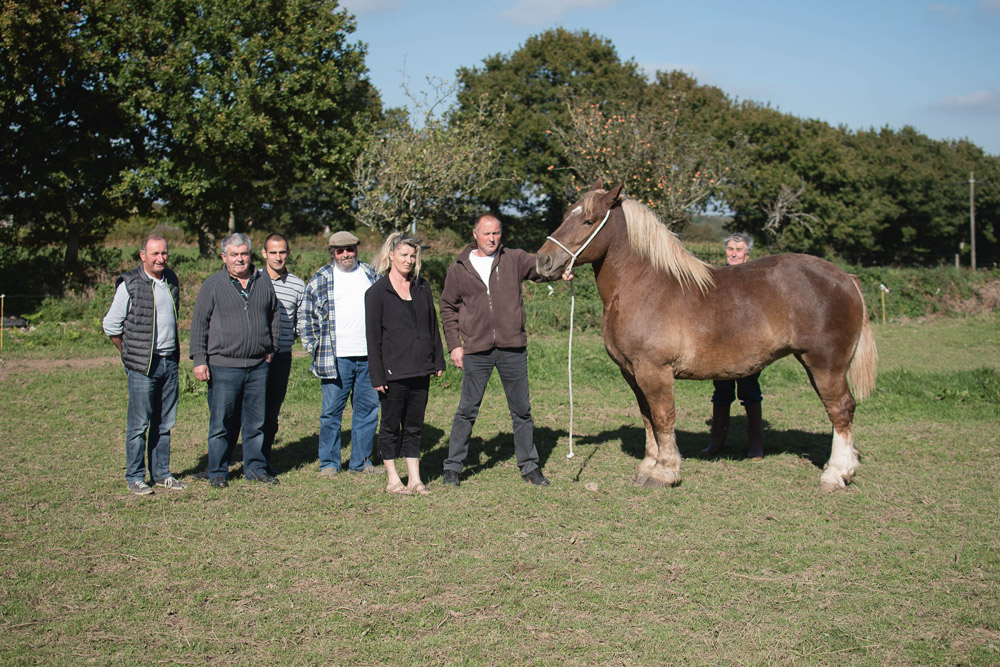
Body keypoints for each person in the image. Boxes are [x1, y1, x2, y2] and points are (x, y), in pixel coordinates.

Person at [440, 213, 552, 487]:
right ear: (475, 234)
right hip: (476, 350)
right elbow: (447, 307)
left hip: (513, 348)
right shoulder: (459, 267)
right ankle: (453, 467)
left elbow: (543, 266)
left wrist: (562, 271)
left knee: (521, 411)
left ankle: (529, 466)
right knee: (467, 410)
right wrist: (455, 345)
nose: (492, 238)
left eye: (496, 233)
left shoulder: (514, 258)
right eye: (487, 233)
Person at [190, 233, 281, 487]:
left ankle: (255, 467)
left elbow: (274, 314)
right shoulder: (213, 284)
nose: (240, 259)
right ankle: (218, 472)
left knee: (256, 422)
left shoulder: (262, 281)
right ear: (224, 257)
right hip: (223, 366)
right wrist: (199, 359)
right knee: (221, 423)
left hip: (257, 366)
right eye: (234, 255)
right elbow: (199, 324)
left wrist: (271, 348)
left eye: (243, 254)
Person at [102, 234, 187, 495]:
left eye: (164, 253)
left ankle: (161, 473)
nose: (160, 258)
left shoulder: (171, 280)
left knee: (164, 423)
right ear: (143, 256)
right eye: (155, 254)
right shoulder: (130, 284)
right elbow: (111, 326)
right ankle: (135, 476)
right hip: (143, 366)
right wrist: (129, 354)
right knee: (139, 425)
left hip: (168, 362)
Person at [365, 233, 445, 495]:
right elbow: (373, 337)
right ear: (391, 256)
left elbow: (433, 326)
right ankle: (393, 480)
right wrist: (377, 375)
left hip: (420, 368)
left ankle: (415, 479)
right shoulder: (376, 293)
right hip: (392, 373)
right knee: (390, 427)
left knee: (414, 426)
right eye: (404, 255)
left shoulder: (422, 287)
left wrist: (438, 359)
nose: (409, 260)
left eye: (413, 256)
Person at [300, 231, 382, 476]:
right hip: (335, 359)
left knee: (367, 410)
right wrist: (315, 348)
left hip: (369, 356)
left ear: (357, 249)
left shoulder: (371, 275)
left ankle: (361, 462)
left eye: (350, 249)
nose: (346, 254)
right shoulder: (321, 279)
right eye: (340, 250)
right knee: (331, 413)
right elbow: (306, 318)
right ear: (332, 253)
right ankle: (329, 463)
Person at [699, 233, 765, 461]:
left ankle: (756, 444)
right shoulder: (717, 277)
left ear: (747, 254)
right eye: (730, 249)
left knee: (749, 390)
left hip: (748, 344)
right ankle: (717, 442)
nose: (734, 253)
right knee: (721, 392)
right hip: (720, 343)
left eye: (738, 249)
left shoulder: (755, 278)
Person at [260, 233, 306, 475]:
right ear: (264, 253)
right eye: (273, 252)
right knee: (249, 408)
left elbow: (301, 321)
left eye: (282, 252)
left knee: (272, 409)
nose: (278, 257)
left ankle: (265, 457)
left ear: (288, 253)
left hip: (281, 355)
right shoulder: (254, 279)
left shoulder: (298, 285)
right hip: (255, 355)